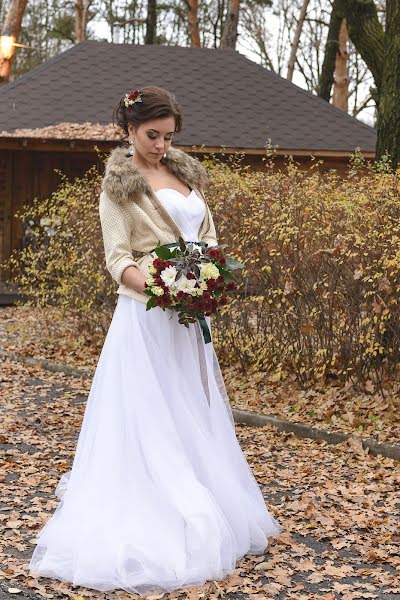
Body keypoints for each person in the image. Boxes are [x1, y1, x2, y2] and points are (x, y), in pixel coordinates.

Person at [28, 86, 284, 596]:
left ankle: (206, 499)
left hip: (187, 323)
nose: (161, 145)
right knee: (151, 415)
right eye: (152, 135)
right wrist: (165, 287)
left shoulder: (184, 174)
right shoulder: (118, 186)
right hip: (147, 318)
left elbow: (205, 237)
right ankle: (158, 508)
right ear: (128, 129)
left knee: (189, 407)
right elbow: (117, 258)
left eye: (168, 136)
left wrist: (208, 277)